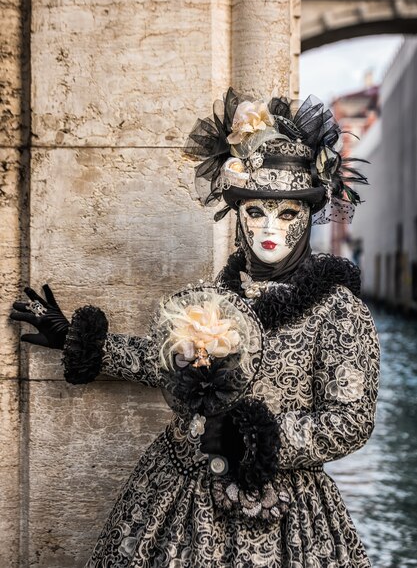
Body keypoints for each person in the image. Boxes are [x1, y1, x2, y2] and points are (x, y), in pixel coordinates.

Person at [10, 89, 380, 568]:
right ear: (238, 215)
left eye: (287, 213)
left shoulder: (338, 311)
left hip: (280, 502)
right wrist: (83, 345)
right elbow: (169, 361)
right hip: (178, 490)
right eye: (256, 211)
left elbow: (350, 420)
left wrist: (256, 438)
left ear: (308, 216)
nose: (270, 228)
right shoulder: (214, 297)